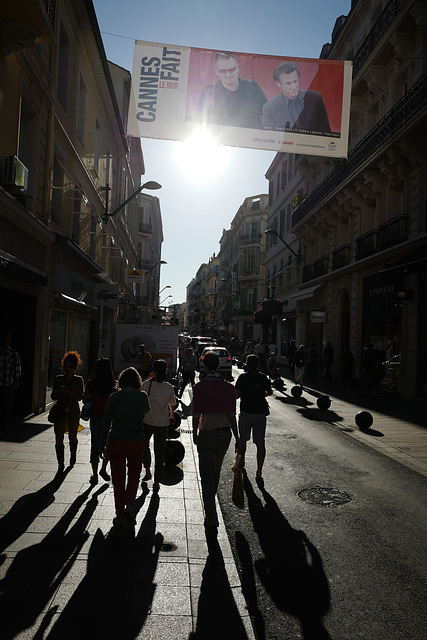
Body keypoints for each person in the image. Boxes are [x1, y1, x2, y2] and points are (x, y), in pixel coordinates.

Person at [192, 351, 243, 540]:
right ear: (219, 366)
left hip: (206, 434)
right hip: (224, 436)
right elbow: (232, 416)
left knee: (206, 477)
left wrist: (195, 434)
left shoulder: (199, 387)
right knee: (215, 473)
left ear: (204, 365)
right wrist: (237, 438)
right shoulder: (229, 388)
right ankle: (210, 507)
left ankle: (211, 517)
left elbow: (196, 416)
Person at [100, 367, 150, 527]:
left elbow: (106, 423)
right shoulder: (142, 396)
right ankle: (130, 504)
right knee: (134, 474)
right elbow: (146, 411)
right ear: (137, 382)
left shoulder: (114, 398)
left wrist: (102, 445)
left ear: (121, 381)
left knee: (118, 477)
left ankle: (119, 513)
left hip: (116, 441)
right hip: (136, 440)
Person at [196, 51, 267, 129]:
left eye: (232, 69)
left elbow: (268, 115)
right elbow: (200, 120)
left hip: (249, 138)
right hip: (222, 139)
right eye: (223, 71)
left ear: (237, 68)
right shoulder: (209, 93)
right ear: (216, 71)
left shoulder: (253, 89)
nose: (228, 74)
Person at [262, 60, 331, 133]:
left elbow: (326, 131)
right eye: (288, 83)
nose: (293, 87)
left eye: (295, 81)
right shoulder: (269, 108)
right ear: (278, 83)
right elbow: (268, 138)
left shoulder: (315, 98)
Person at [235, 354, 273, 482]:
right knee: (260, 443)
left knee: (243, 439)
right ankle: (259, 472)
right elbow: (270, 391)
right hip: (260, 414)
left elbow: (236, 395)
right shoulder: (263, 377)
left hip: (246, 412)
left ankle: (242, 461)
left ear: (247, 364)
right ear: (258, 364)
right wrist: (263, 394)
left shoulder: (242, 377)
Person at [141, 360, 176, 492]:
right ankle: (157, 481)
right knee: (160, 452)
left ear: (154, 371)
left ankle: (148, 470)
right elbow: (171, 403)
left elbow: (140, 392)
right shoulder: (168, 387)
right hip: (162, 424)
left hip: (147, 421)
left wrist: (148, 377)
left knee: (144, 446)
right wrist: (171, 415)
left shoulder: (147, 385)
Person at [83, 358, 116, 485]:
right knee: (108, 444)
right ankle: (103, 468)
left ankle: (95, 474)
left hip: (96, 417)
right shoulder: (113, 384)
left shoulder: (92, 384)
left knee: (94, 444)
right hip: (109, 419)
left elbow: (84, 400)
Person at [51, 351, 84, 472]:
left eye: (70, 366)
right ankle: (60, 463)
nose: (67, 369)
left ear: (75, 368)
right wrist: (57, 393)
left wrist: (70, 393)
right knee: (58, 437)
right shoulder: (58, 379)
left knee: (72, 436)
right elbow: (53, 397)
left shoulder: (78, 380)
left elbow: (80, 396)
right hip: (60, 411)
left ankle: (73, 456)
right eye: (66, 366)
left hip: (73, 411)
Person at [0, 330, 21, 431]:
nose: (7, 341)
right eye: (5, 339)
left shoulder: (13, 353)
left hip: (7, 383)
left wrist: (15, 381)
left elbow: (17, 368)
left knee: (6, 403)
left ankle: (5, 422)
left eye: (8, 339)